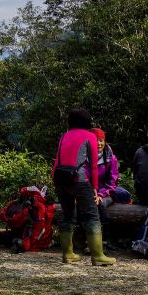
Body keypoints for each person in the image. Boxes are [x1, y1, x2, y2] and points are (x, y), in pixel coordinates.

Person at [53, 108, 115, 265]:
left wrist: (56, 180)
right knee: (92, 216)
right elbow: (93, 165)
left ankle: (68, 254)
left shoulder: (64, 136)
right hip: (79, 180)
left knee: (67, 216)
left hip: (60, 179)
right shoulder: (90, 136)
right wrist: (94, 187)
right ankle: (98, 255)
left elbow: (57, 161)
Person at [91, 128, 131, 225]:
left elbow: (112, 182)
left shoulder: (111, 158)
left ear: (105, 142)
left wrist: (100, 194)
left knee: (100, 204)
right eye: (95, 140)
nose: (98, 143)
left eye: (101, 140)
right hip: (91, 191)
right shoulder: (85, 157)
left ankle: (104, 233)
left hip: (106, 191)